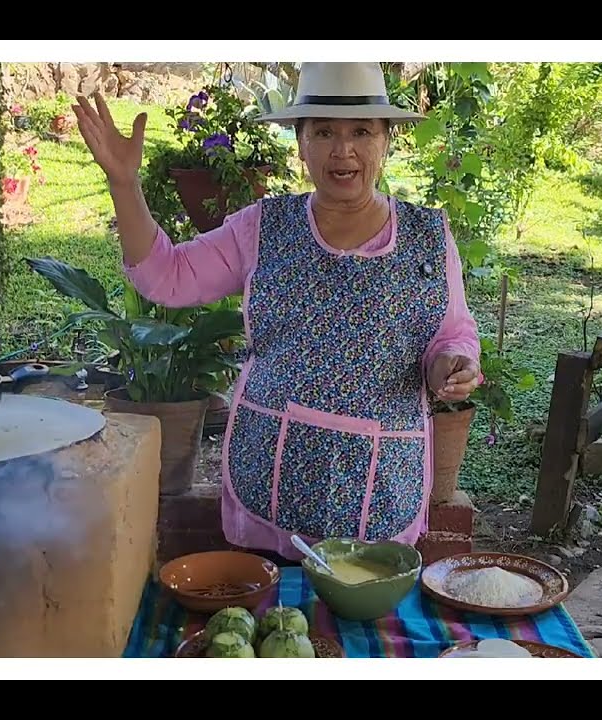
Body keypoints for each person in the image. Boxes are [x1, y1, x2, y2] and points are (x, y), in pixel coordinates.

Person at [72, 62, 482, 562]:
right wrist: (124, 183)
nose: (343, 150)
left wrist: (451, 365)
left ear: (387, 139)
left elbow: (452, 334)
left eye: (361, 132)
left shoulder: (428, 238)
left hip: (382, 480)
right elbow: (165, 275)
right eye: (324, 132)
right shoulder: (263, 228)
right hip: (271, 464)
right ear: (300, 141)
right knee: (274, 625)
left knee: (360, 620)